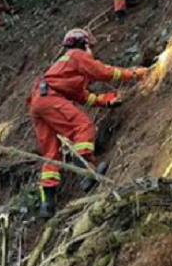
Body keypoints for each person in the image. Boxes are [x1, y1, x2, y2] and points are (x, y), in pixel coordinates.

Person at [28, 28, 148, 218]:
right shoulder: (76, 55)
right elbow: (103, 72)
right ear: (83, 44)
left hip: (39, 102)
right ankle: (85, 173)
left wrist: (106, 101)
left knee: (51, 154)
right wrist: (133, 74)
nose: (92, 51)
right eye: (90, 47)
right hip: (50, 98)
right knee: (82, 126)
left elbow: (83, 97)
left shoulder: (64, 70)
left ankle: (47, 204)